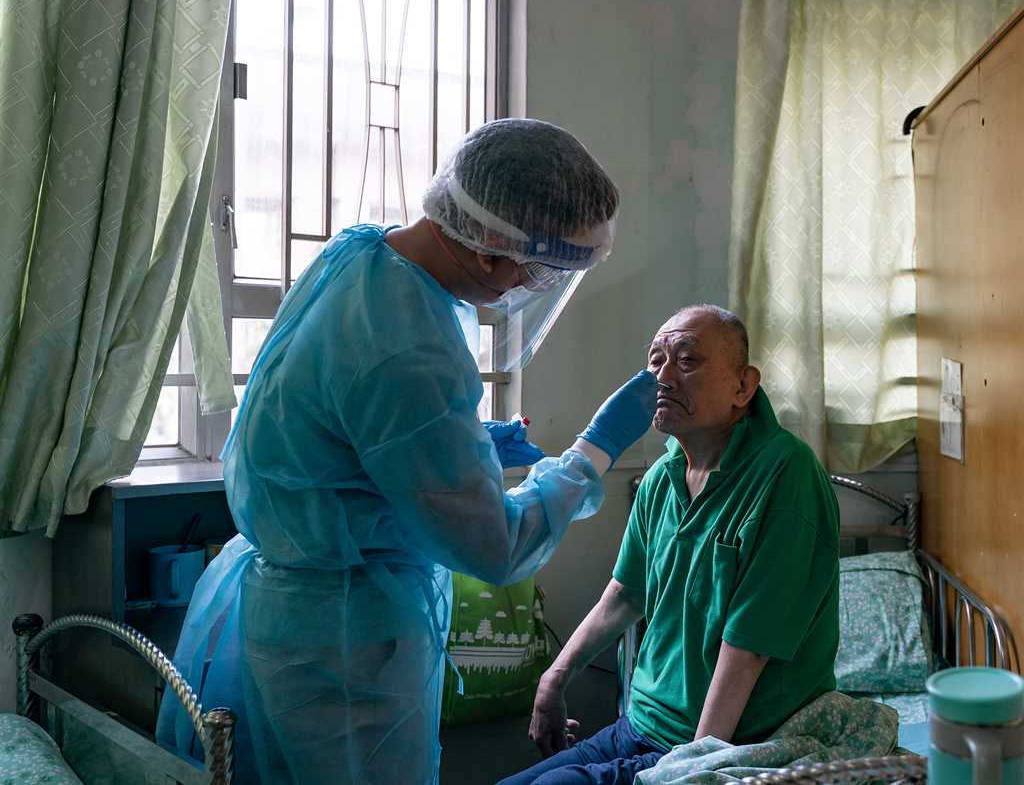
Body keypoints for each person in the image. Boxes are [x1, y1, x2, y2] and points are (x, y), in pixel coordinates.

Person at [155, 119, 659, 785]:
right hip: (344, 643)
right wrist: (593, 452)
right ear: (488, 251)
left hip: (296, 609)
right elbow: (496, 547)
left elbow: (348, 429)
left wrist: (471, 444)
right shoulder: (413, 346)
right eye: (533, 272)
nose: (523, 290)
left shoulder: (363, 256)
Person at [499, 305, 840, 785]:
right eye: (654, 361)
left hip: (726, 743)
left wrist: (692, 771)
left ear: (743, 386)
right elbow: (624, 595)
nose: (662, 377)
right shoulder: (662, 477)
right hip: (641, 724)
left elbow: (748, 647)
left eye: (686, 360)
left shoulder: (785, 474)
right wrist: (553, 681)